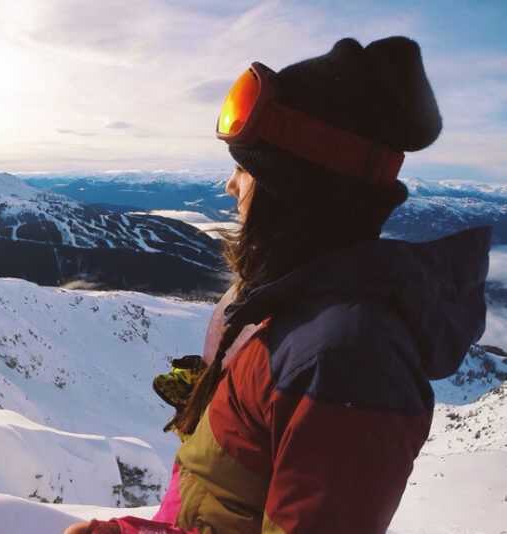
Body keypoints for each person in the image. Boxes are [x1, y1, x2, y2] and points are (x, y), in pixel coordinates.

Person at [63, 36, 490, 534]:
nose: (229, 186)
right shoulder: (289, 314)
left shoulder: (343, 358)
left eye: (243, 170)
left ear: (294, 195)